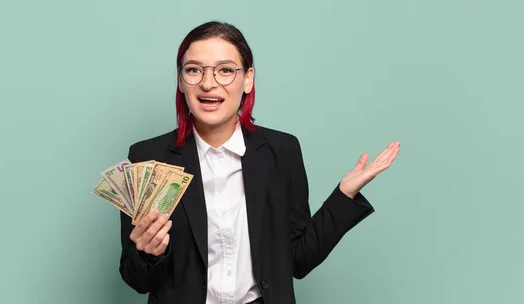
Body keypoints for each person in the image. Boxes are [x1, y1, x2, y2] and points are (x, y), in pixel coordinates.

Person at [119, 21, 401, 304]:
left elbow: (297, 260)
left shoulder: (282, 151)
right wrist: (147, 253)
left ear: (248, 79)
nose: (207, 83)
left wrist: (344, 195)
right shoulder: (147, 159)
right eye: (193, 70)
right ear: (181, 80)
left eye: (225, 70)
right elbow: (136, 280)